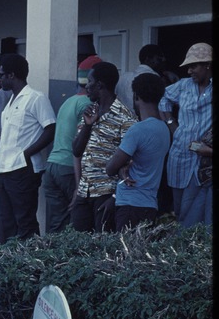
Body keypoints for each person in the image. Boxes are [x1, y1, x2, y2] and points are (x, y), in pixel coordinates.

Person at [0, 53, 56, 242]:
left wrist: (26, 154)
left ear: (12, 75)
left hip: (23, 169)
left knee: (25, 221)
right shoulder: (10, 101)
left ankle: (30, 264)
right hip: (5, 170)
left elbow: (50, 128)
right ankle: (10, 264)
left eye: (1, 75)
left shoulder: (35, 98)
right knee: (7, 222)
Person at [71, 61, 137, 232]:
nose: (86, 87)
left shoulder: (125, 117)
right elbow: (76, 150)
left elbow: (132, 163)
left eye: (90, 81)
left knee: (103, 249)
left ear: (99, 84)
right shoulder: (91, 110)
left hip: (106, 195)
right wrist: (87, 125)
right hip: (84, 193)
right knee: (78, 247)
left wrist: (115, 197)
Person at [42, 55, 102, 232]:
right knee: (72, 224)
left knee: (56, 223)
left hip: (52, 166)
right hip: (68, 169)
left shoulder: (69, 101)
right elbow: (83, 144)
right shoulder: (86, 104)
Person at [105, 73, 171, 230]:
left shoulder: (137, 130)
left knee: (124, 253)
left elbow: (110, 168)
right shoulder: (165, 130)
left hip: (129, 205)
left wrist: (121, 168)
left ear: (136, 96)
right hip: (150, 205)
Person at [158, 42, 213, 226]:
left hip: (205, 162)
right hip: (181, 156)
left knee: (197, 214)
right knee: (180, 210)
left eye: (193, 66)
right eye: (188, 67)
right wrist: (172, 124)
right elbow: (163, 98)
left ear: (208, 65)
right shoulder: (183, 86)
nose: (189, 71)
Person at [115, 44, 167, 112]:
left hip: (123, 120)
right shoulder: (154, 78)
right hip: (145, 120)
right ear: (148, 59)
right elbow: (163, 105)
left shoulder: (123, 77)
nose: (163, 61)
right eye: (159, 59)